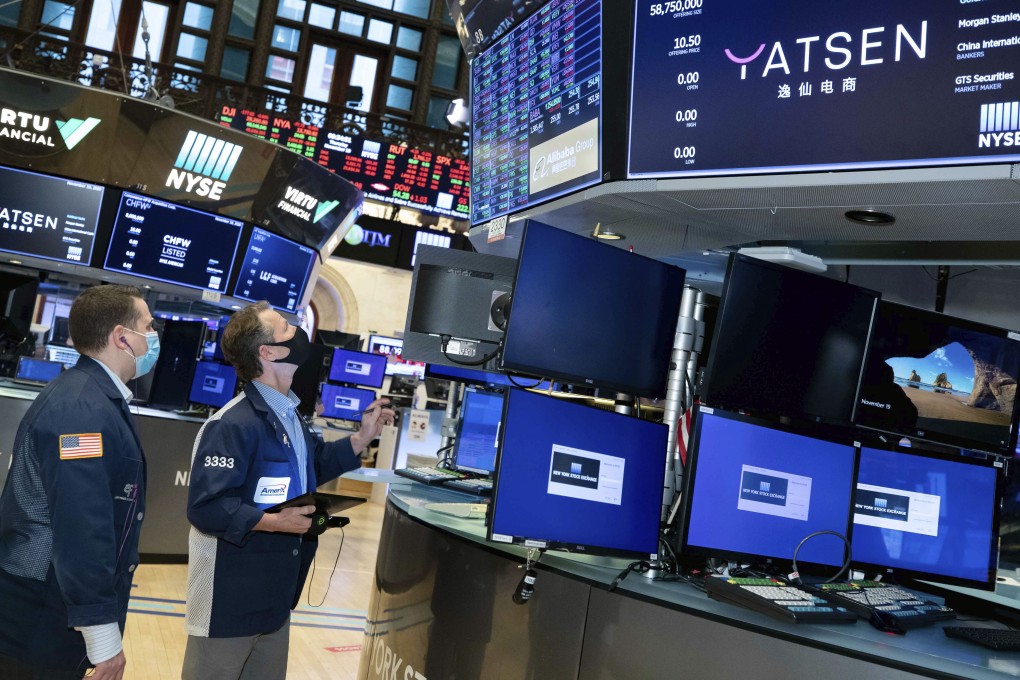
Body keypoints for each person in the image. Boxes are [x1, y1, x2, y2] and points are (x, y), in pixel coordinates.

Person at [182, 301, 394, 680]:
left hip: (275, 599)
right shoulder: (231, 425)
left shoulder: (290, 414)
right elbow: (207, 507)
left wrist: (362, 438)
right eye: (285, 327)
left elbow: (310, 464)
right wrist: (275, 522)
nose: (297, 331)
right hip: (229, 602)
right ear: (268, 352)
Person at [0, 284, 157, 680]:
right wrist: (104, 639)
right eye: (148, 327)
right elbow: (80, 525)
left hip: (53, 610)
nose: (153, 337)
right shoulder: (81, 410)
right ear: (122, 337)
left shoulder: (92, 396)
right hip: (43, 619)